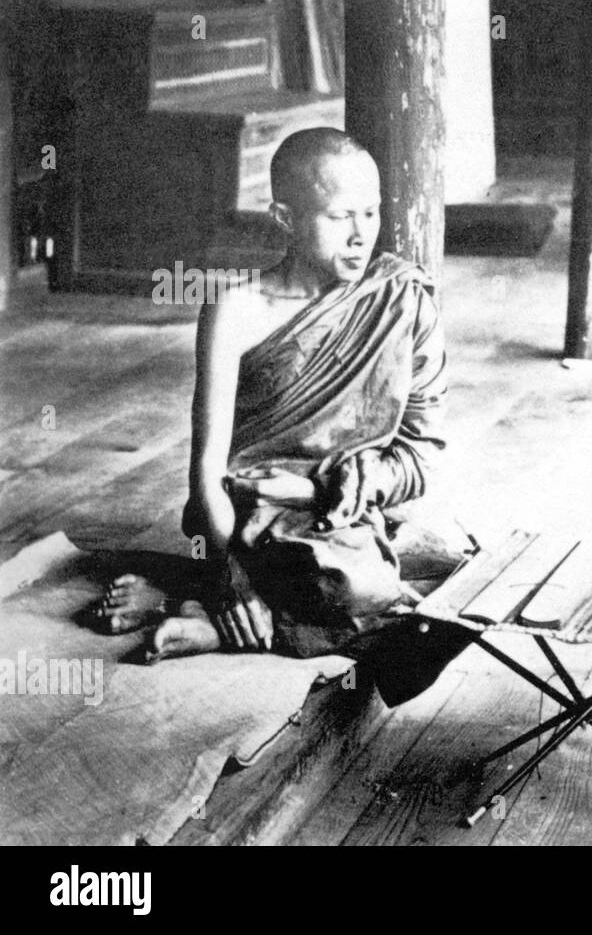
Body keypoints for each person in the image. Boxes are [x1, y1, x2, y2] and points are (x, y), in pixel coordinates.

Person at [92, 127, 475, 705]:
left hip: (343, 506)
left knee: (461, 563)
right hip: (253, 516)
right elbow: (205, 477)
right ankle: (228, 610)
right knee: (364, 589)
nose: (359, 236)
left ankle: (190, 610)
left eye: (370, 214)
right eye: (339, 216)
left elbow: (421, 460)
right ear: (285, 218)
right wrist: (233, 582)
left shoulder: (401, 296)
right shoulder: (237, 310)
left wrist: (318, 488)